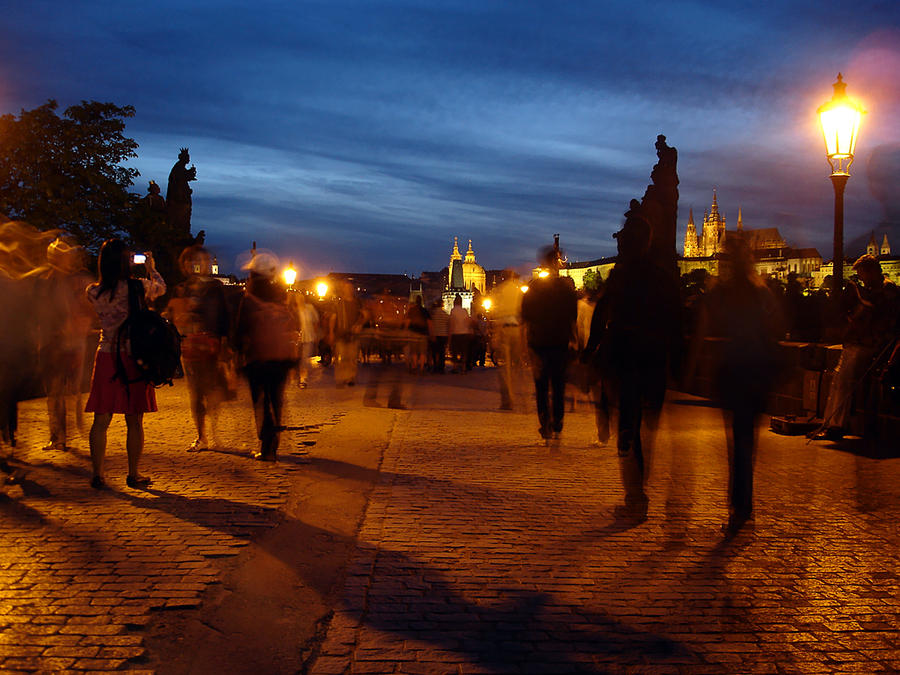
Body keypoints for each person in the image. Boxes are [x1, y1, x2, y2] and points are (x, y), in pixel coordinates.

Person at [692, 236, 784, 535]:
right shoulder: (762, 293)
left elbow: (702, 329)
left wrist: (690, 367)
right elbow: (776, 330)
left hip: (733, 372)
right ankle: (743, 504)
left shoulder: (721, 293)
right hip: (757, 372)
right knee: (747, 442)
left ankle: (739, 505)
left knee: (738, 443)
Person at [599, 215, 681, 519]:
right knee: (647, 429)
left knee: (629, 428)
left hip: (626, 359)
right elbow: (677, 322)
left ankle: (635, 494)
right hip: (654, 361)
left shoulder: (620, 277)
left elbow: (602, 317)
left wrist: (593, 352)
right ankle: (639, 488)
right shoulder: (662, 277)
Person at [84, 239, 166, 489]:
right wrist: (151, 268)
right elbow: (161, 288)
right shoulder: (138, 287)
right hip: (133, 357)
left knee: (101, 418)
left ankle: (98, 474)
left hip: (106, 354)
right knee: (134, 419)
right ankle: (133, 473)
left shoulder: (93, 291)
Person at [812, 254, 900, 441]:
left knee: (842, 381)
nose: (860, 279)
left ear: (872, 271)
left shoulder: (887, 288)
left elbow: (880, 317)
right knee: (838, 379)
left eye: (862, 274)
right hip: (862, 342)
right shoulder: (875, 288)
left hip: (870, 345)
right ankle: (831, 423)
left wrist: (859, 312)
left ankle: (835, 425)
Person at [234, 253, 298, 461]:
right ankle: (274, 443)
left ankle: (266, 443)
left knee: (260, 401)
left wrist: (236, 353)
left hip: (258, 358)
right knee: (276, 398)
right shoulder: (282, 295)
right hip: (281, 357)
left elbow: (240, 329)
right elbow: (293, 323)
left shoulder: (249, 298)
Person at [167, 245, 230, 452]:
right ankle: (201, 435)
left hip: (211, 345)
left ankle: (214, 432)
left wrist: (225, 345)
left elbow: (223, 317)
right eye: (197, 261)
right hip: (190, 346)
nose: (201, 264)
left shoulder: (215, 287)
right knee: (195, 392)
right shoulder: (181, 289)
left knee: (212, 389)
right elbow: (173, 316)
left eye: (205, 260)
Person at [36, 238, 93, 452]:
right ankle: (58, 435)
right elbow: (39, 311)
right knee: (54, 391)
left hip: (72, 342)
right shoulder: (45, 281)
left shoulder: (78, 281)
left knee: (71, 391)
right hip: (51, 342)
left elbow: (88, 307)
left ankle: (67, 429)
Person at [520, 246, 578, 441]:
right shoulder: (566, 288)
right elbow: (573, 318)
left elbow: (525, 318)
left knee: (542, 387)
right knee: (559, 385)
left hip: (538, 342)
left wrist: (525, 347)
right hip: (560, 342)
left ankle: (545, 422)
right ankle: (558, 422)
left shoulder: (533, 288)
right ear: (557, 263)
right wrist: (574, 341)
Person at [491, 274, 525, 410]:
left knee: (504, 368)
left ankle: (508, 399)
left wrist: (495, 336)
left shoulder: (501, 290)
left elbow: (497, 313)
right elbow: (524, 314)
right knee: (517, 366)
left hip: (505, 330)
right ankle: (518, 395)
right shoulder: (519, 291)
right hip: (516, 330)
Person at [330, 281, 362, 386]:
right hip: (341, 334)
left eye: (350, 288)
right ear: (343, 290)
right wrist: (331, 332)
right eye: (346, 288)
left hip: (353, 335)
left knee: (352, 358)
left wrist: (359, 324)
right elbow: (333, 318)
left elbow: (363, 316)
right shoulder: (339, 304)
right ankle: (341, 377)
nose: (348, 290)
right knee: (342, 358)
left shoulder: (357, 303)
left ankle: (351, 378)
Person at [290, 291, 320, 388]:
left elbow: (316, 321)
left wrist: (315, 334)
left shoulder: (310, 308)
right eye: (298, 298)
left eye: (301, 298)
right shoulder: (294, 310)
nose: (300, 300)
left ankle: (303, 379)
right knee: (296, 358)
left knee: (304, 359)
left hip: (308, 336)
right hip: (297, 338)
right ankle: (295, 377)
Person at [404, 295, 429, 374]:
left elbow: (407, 322)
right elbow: (429, 323)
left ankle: (414, 367)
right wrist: (431, 333)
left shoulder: (411, 310)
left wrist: (405, 330)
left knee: (414, 352)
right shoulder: (425, 310)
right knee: (422, 352)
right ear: (421, 302)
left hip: (413, 334)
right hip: (423, 334)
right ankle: (421, 368)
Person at [448, 294, 473, 373]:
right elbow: (468, 321)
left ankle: (455, 368)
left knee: (455, 351)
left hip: (456, 333)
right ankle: (463, 368)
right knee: (464, 351)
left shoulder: (453, 310)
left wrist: (450, 334)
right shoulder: (465, 311)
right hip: (465, 333)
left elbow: (451, 323)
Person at [428, 300, 450, 373]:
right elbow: (448, 324)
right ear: (442, 305)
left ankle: (435, 366)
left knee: (434, 352)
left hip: (435, 334)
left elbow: (430, 324)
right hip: (443, 335)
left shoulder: (432, 314)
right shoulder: (445, 314)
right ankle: (441, 368)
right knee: (442, 352)